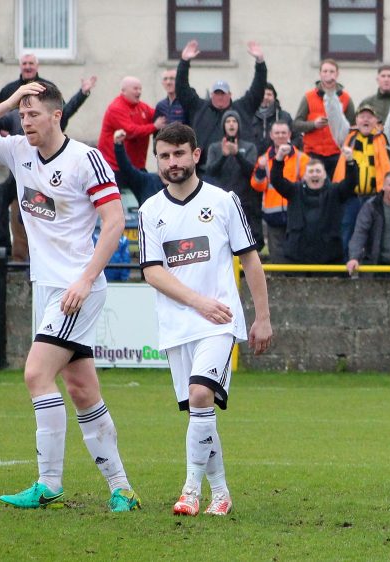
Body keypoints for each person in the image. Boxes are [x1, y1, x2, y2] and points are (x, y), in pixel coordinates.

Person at [0, 81, 140, 512]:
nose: (25, 120)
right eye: (23, 113)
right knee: (81, 388)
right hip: (48, 287)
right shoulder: (17, 149)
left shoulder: (85, 159)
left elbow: (113, 222)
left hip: (77, 287)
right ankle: (122, 488)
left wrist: (86, 279)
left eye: (33, 113)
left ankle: (48, 483)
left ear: (57, 115)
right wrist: (7, 102)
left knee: (36, 373)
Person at [137, 123, 272, 517]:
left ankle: (190, 491)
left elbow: (250, 258)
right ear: (157, 160)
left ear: (196, 155)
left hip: (219, 321)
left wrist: (262, 317)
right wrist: (197, 302)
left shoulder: (224, 200)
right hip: (178, 326)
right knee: (201, 412)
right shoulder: (150, 211)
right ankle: (222, 493)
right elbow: (152, 271)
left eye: (180, 153)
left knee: (200, 394)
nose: (172, 162)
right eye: (164, 155)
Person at [177, 39, 267, 173]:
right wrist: (184, 62)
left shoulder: (242, 108)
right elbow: (182, 89)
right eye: (217, 93)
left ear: (230, 94)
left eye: (223, 94)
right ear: (211, 94)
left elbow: (258, 89)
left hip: (238, 172)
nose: (220, 97)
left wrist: (260, 62)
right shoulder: (199, 108)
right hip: (205, 171)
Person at [269, 144, 357, 266]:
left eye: (318, 171)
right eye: (311, 171)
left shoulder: (335, 191)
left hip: (329, 259)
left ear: (325, 175)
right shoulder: (294, 191)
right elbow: (276, 180)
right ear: (305, 176)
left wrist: (350, 162)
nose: (314, 174)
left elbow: (351, 183)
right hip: (297, 258)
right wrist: (279, 158)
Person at [0, 52, 96, 133]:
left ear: (37, 66)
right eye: (24, 63)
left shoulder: (48, 87)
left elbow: (64, 112)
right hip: (17, 146)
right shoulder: (9, 89)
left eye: (31, 63)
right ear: (20, 66)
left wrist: (82, 94)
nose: (27, 67)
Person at [334, 103, 390, 258]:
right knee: (347, 229)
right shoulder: (348, 137)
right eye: (362, 117)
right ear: (357, 120)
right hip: (351, 197)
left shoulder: (383, 139)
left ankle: (370, 267)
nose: (365, 120)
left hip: (374, 196)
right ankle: (346, 265)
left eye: (369, 117)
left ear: (375, 121)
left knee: (374, 232)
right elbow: (334, 116)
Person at [250, 120, 310, 263]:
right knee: (277, 257)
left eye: (284, 132)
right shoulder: (263, 159)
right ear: (271, 135)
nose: (280, 135)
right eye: (277, 133)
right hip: (273, 215)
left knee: (297, 254)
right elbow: (257, 186)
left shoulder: (302, 158)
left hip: (296, 213)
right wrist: (260, 170)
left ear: (289, 134)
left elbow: (307, 185)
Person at [203, 110, 261, 247]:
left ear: (238, 125)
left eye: (234, 121)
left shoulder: (249, 147)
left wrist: (237, 155)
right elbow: (210, 172)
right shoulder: (215, 147)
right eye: (228, 121)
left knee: (244, 243)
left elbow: (252, 172)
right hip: (220, 203)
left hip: (244, 202)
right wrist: (223, 156)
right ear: (224, 125)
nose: (231, 124)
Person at [294, 58, 354, 174]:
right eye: (325, 71)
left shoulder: (346, 98)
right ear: (320, 74)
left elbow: (352, 128)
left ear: (337, 74)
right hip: (312, 154)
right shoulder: (309, 97)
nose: (328, 75)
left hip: (337, 154)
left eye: (331, 72)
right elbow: (296, 124)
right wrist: (313, 124)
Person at [97, 77, 166, 171]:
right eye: (135, 89)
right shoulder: (116, 108)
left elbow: (157, 115)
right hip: (115, 167)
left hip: (136, 166)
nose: (139, 92)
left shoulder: (142, 107)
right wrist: (154, 126)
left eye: (140, 89)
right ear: (123, 91)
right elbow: (130, 132)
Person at [112, 129, 165, 206]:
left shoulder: (182, 184)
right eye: (164, 156)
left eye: (177, 154)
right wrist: (118, 145)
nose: (171, 162)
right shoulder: (147, 181)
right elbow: (127, 169)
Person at [250, 83, 295, 155]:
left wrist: (288, 149)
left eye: (269, 94)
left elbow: (297, 137)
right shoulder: (248, 117)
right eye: (262, 94)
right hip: (254, 161)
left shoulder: (284, 116)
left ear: (274, 97)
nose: (265, 97)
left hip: (280, 158)